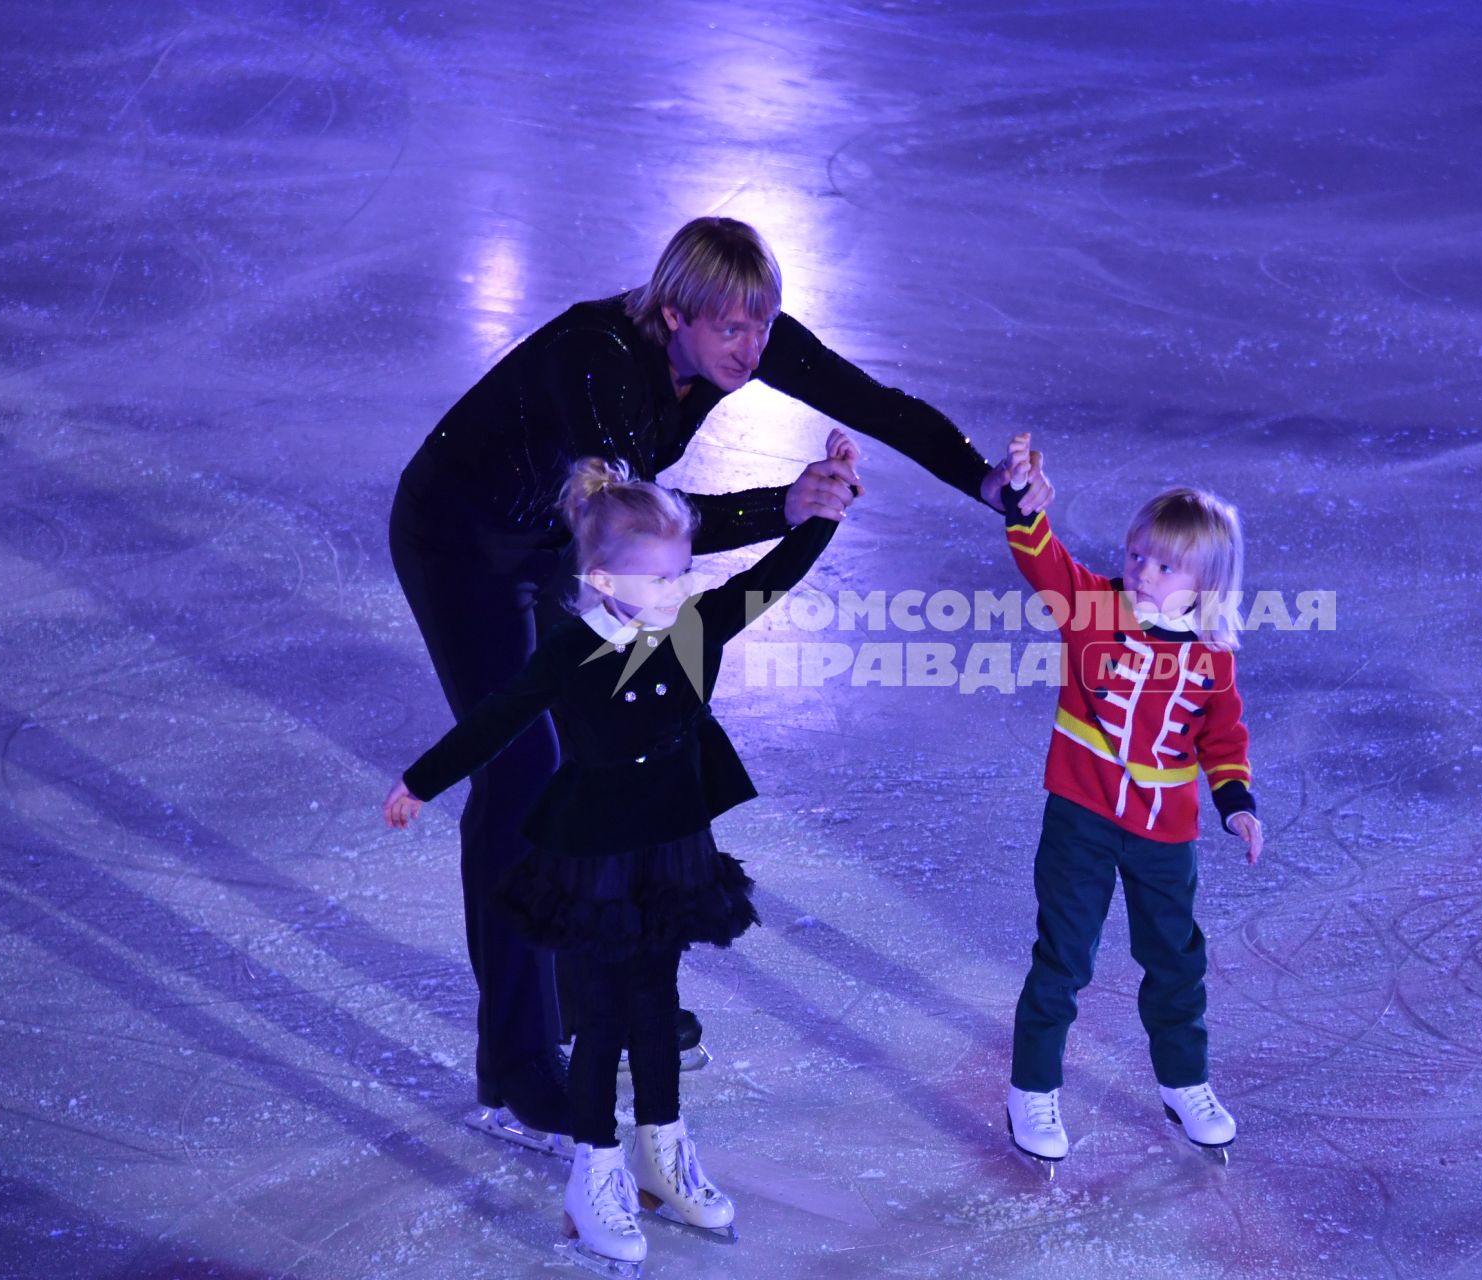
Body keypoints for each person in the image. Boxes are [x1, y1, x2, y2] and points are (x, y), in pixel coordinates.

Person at [387, 215, 1053, 1145]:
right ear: (673, 317)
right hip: (462, 541)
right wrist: (781, 505)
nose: (752, 347)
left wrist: (987, 483)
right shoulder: (598, 367)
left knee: (590, 767)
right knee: (524, 771)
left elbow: (873, 403)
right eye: (732, 330)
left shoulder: (741, 339)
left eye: (764, 325)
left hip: (559, 547)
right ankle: (517, 1060)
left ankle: (582, 1004)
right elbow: (639, 524)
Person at [385, 438, 857, 1269]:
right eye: (663, 576)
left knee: (655, 1005)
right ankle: (594, 1170)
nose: (681, 588)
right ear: (603, 581)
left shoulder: (691, 628)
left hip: (672, 846)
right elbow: (499, 718)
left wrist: (825, 514)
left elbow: (768, 582)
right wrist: (422, 782)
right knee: (602, 1019)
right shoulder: (569, 650)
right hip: (595, 857)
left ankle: (662, 1156)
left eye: (682, 571)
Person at [993, 432, 1265, 1171]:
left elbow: (1222, 735)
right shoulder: (1093, 610)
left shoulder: (1213, 657)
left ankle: (1185, 1082)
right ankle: (1032, 1089)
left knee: (1175, 960)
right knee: (1065, 957)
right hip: (1081, 817)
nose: (1143, 571)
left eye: (1165, 565)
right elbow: (1040, 558)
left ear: (1205, 585)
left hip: (1163, 834)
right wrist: (1023, 499)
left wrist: (1235, 801)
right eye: (1137, 554)